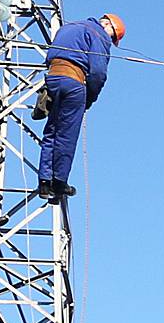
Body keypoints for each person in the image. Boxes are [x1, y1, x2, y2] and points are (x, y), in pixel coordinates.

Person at [36, 13, 124, 203]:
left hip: (52, 79)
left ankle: (44, 181)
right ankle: (59, 181)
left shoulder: (68, 27)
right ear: (108, 26)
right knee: (66, 134)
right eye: (113, 37)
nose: (110, 40)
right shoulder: (98, 34)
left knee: (51, 131)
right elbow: (98, 73)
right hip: (73, 81)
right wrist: (89, 99)